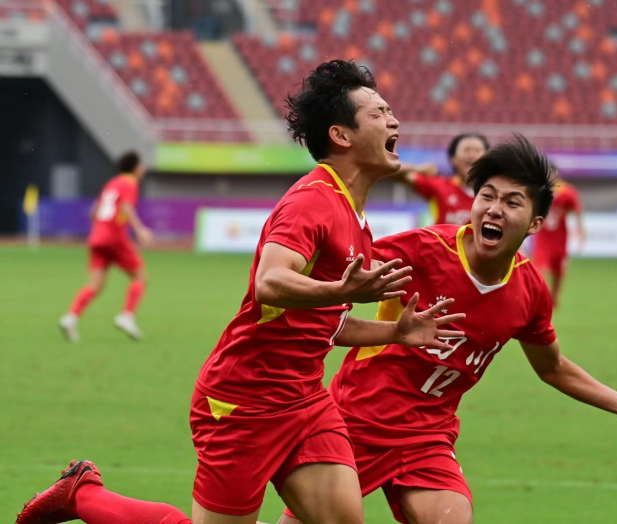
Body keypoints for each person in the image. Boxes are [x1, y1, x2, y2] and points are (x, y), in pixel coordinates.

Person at [16, 60, 466, 524]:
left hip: (304, 399)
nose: (394, 120)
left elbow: (320, 323)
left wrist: (394, 331)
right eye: (378, 112)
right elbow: (269, 283)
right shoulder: (313, 200)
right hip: (242, 401)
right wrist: (341, 287)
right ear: (342, 135)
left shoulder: (353, 214)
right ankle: (83, 494)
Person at [279, 135, 617, 524]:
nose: (494, 209)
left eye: (512, 202)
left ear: (534, 223)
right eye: (487, 196)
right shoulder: (420, 251)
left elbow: (553, 368)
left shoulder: (530, 291)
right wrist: (289, 272)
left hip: (427, 439)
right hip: (354, 424)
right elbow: (332, 285)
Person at [59, 151, 152, 342]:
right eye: (141, 165)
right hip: (114, 236)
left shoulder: (111, 183)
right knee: (140, 276)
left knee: (94, 285)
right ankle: (127, 316)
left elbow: (94, 211)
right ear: (134, 168)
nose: (143, 169)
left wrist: (100, 228)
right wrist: (140, 230)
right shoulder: (129, 183)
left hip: (97, 236)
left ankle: (70, 318)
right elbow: (126, 206)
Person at [395, 133, 489, 225]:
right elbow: (392, 172)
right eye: (466, 150)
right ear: (453, 159)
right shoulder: (438, 185)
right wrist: (417, 168)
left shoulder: (495, 192)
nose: (471, 155)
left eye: (477, 150)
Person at [530, 174, 584, 308]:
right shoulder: (538, 191)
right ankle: (542, 300)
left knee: (558, 272)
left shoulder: (567, 192)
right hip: (543, 240)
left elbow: (576, 210)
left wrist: (580, 229)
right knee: (541, 270)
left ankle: (554, 295)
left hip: (560, 240)